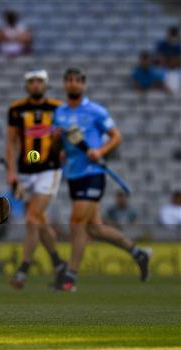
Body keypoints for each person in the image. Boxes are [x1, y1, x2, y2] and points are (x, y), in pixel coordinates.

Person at [53, 67, 152, 291]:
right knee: (95, 229)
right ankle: (139, 253)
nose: (72, 84)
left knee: (77, 222)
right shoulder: (59, 113)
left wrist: (100, 151)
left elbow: (116, 136)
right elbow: (59, 145)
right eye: (68, 80)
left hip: (93, 173)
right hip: (74, 174)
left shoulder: (96, 111)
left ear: (83, 85)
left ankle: (70, 278)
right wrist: (57, 143)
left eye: (77, 80)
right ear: (65, 84)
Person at [5, 69, 66, 289]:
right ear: (27, 85)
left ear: (46, 84)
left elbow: (66, 138)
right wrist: (11, 172)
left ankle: (23, 269)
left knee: (32, 217)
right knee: (40, 220)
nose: (36, 85)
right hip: (25, 172)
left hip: (49, 170)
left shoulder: (59, 108)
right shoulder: (17, 110)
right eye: (32, 82)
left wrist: (64, 153)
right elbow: (11, 142)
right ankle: (59, 264)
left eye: (40, 81)